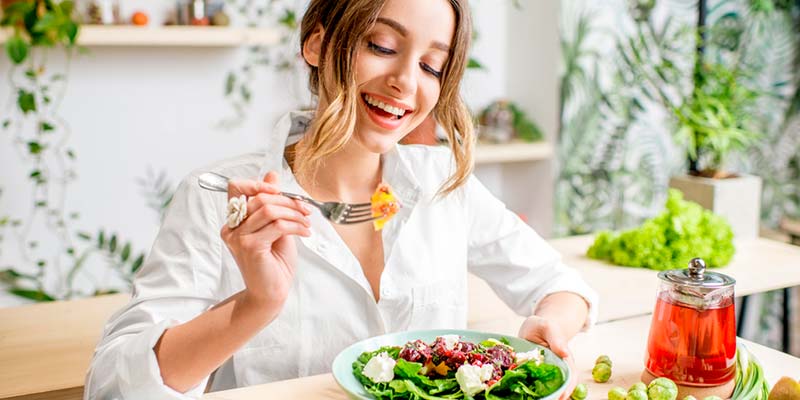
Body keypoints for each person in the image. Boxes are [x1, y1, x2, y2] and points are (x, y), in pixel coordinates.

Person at [84, 0, 598, 399]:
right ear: (317, 44)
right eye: (380, 45)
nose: (405, 82)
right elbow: (113, 386)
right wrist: (254, 305)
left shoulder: (444, 182)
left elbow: (560, 286)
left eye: (432, 66)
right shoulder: (219, 196)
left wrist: (549, 328)